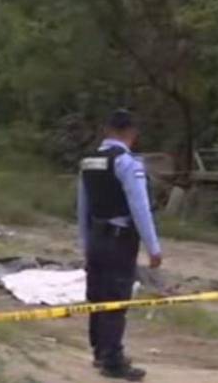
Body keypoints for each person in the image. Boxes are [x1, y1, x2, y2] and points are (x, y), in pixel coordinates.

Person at [77, 109, 163, 381]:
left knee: (97, 296)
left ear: (107, 130)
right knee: (116, 298)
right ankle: (113, 361)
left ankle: (100, 352)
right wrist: (153, 247)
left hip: (96, 236)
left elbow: (83, 206)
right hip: (119, 239)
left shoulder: (89, 161)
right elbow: (140, 208)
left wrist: (85, 241)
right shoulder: (126, 163)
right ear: (131, 132)